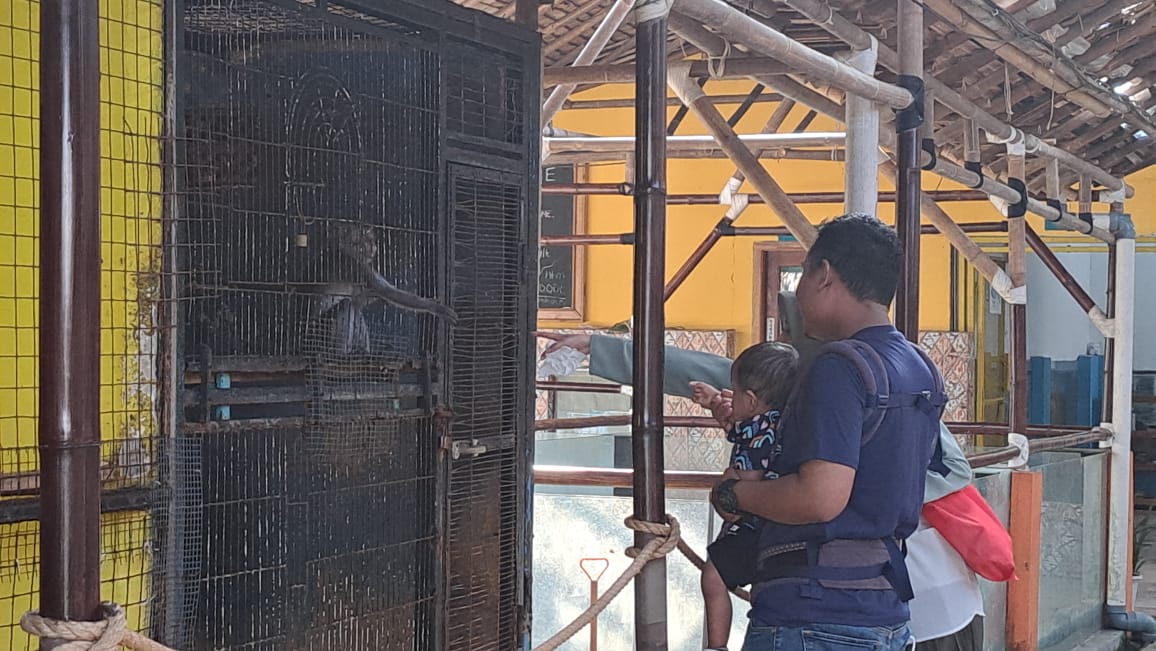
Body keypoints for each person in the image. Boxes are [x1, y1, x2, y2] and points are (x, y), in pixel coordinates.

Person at [690, 343, 798, 651]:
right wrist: (714, 402)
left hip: (754, 524)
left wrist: (728, 484)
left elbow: (743, 492)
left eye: (733, 393)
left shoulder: (756, 434)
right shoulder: (777, 421)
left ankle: (717, 645)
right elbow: (739, 429)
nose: (729, 398)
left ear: (750, 400)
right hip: (776, 522)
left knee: (713, 577)